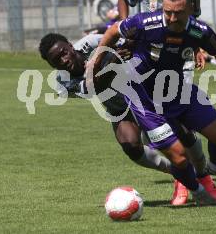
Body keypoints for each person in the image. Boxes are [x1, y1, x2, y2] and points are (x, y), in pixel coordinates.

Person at [92, 0, 216, 205]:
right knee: (179, 156)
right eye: (168, 12)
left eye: (178, 13)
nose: (172, 17)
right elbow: (112, 32)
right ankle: (197, 191)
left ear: (191, 9)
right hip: (144, 99)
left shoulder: (198, 30)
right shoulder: (145, 23)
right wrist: (97, 60)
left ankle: (215, 166)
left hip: (178, 91)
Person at [117, 0, 208, 205]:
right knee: (153, 129)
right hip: (147, 60)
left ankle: (185, 182)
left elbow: (195, 18)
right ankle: (192, 173)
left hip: (180, 58)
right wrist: (128, 31)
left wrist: (199, 47)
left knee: (174, 120)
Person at [38, 33, 174, 185]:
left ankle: (195, 167)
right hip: (118, 107)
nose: (64, 60)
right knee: (130, 146)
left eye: (64, 53)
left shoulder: (92, 42)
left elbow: (126, 41)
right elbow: (96, 87)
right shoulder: (62, 84)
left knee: (164, 135)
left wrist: (127, 48)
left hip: (143, 93)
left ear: (70, 46)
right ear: (52, 65)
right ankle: (173, 170)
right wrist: (113, 60)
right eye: (56, 60)